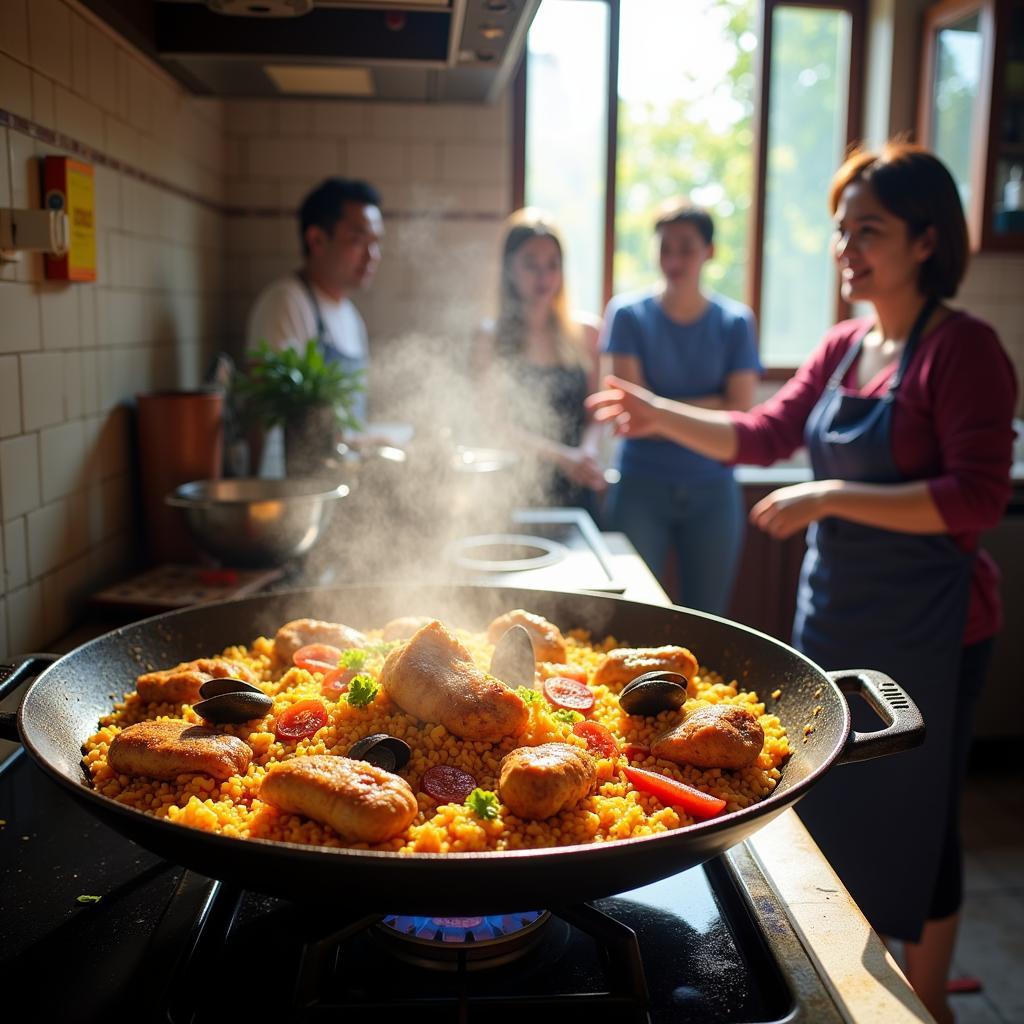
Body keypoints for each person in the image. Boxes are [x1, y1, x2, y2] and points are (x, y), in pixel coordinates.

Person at [586, 142, 1018, 1023]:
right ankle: (849, 981)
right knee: (837, 806)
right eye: (840, 228)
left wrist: (830, 494)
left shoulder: (963, 349)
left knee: (921, 824)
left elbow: (976, 497)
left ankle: (925, 1006)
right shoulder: (847, 343)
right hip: (838, 612)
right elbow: (758, 433)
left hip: (933, 626)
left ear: (927, 241)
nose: (846, 247)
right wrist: (654, 411)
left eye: (871, 229)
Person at [600, 198, 761, 614]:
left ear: (709, 251)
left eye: (686, 247)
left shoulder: (735, 322)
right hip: (640, 486)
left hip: (713, 488)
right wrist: (710, 408)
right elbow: (628, 412)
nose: (673, 258)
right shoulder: (628, 315)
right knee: (634, 610)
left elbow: (740, 411)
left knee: (708, 616)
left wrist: (656, 409)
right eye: (665, 247)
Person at [471, 208, 607, 510]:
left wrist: (586, 453)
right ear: (509, 269)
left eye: (552, 265)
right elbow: (492, 422)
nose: (543, 276)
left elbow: (596, 412)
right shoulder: (490, 337)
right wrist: (563, 457)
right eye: (530, 264)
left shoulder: (587, 333)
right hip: (513, 486)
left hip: (576, 483)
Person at [245, 178, 383, 472]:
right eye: (359, 241)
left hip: (340, 485)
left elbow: (350, 424)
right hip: (297, 487)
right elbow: (266, 416)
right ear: (317, 240)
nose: (372, 256)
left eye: (376, 243)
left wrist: (373, 443)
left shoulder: (351, 316)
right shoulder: (286, 303)